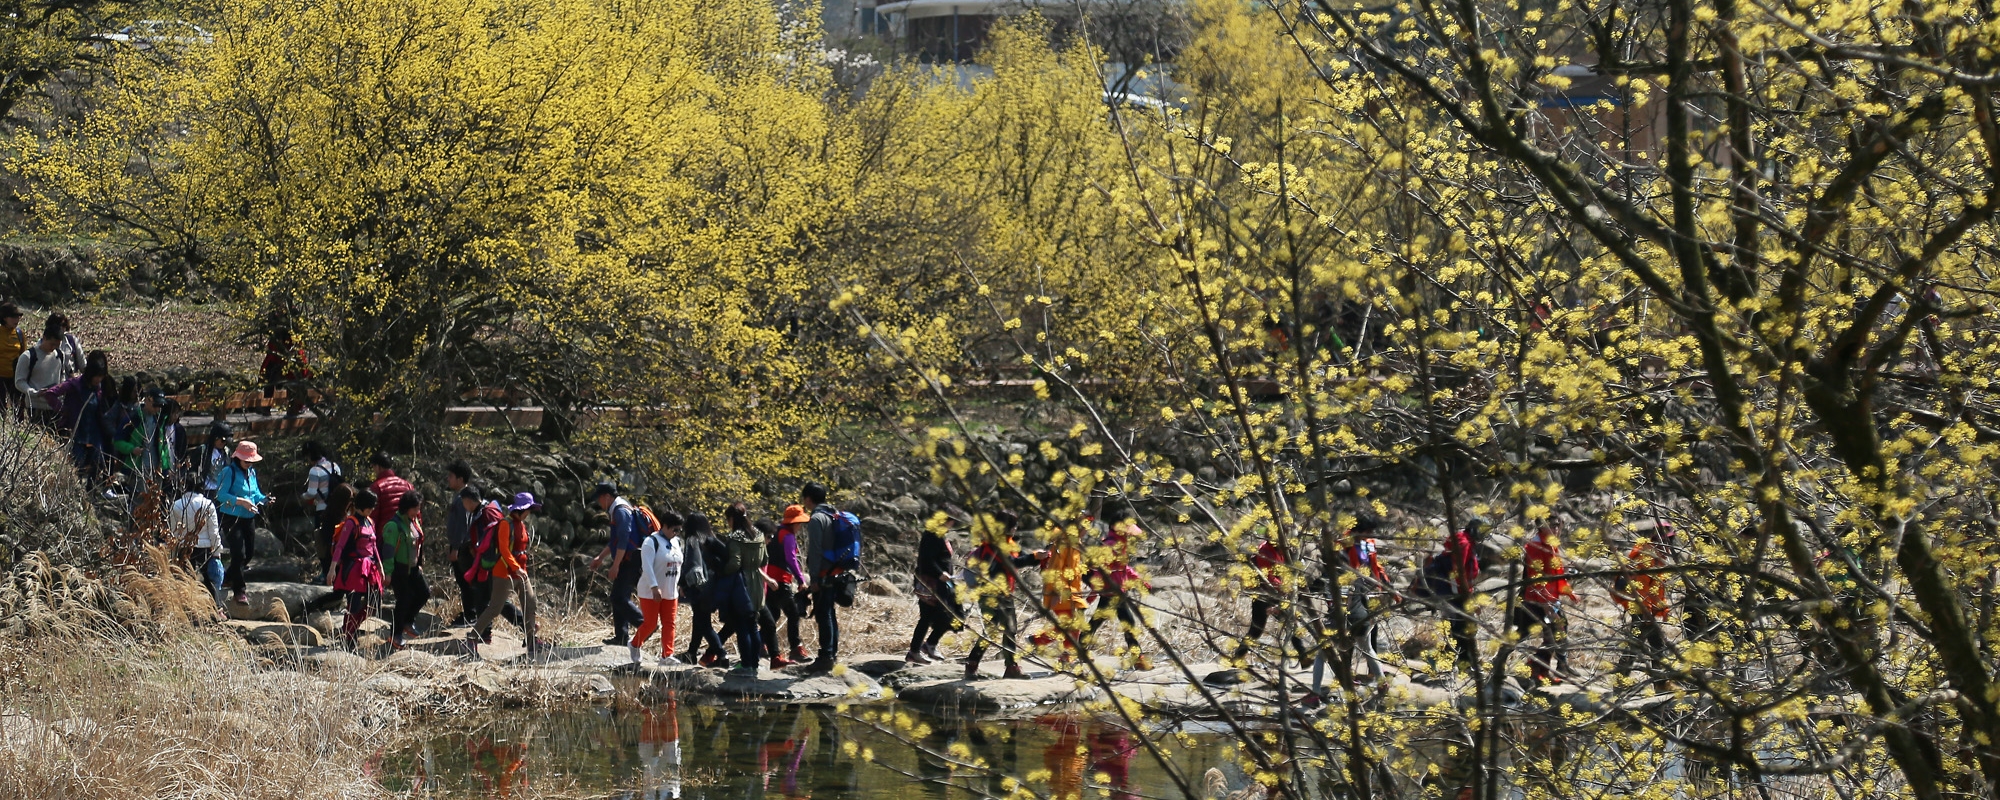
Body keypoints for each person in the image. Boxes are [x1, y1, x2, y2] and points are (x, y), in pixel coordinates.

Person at [963, 510, 1045, 680]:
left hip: (1006, 593)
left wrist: (1038, 557)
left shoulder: (1009, 543)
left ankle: (1011, 667)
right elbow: (1012, 562)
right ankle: (972, 664)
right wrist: (1034, 556)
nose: (1016, 529)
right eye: (1013, 526)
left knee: (1010, 630)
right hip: (990, 594)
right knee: (992, 631)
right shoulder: (994, 544)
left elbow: (1021, 557)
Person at [468, 492, 543, 654]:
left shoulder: (521, 524)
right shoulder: (505, 524)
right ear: (521, 509)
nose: (529, 513)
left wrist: (519, 569)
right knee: (495, 608)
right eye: (528, 509)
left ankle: (531, 643)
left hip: (520, 573)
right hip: (504, 573)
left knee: (530, 604)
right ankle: (472, 638)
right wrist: (515, 567)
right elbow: (503, 549)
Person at [1084, 504, 1149, 670]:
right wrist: (1097, 589)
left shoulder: (1120, 544)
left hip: (1117, 591)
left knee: (1096, 622)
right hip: (1111, 592)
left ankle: (1078, 649)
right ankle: (1137, 657)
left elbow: (1124, 568)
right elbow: (1101, 569)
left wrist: (1139, 580)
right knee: (1128, 623)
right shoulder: (1111, 545)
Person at [801, 482, 857, 673]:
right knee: (829, 614)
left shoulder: (816, 518)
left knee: (823, 614)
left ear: (808, 499)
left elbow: (816, 550)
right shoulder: (834, 515)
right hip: (837, 572)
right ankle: (832, 654)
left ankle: (825, 656)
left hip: (824, 574)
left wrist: (814, 578)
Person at [1232, 530, 1308, 664]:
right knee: (1262, 629)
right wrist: (1285, 588)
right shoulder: (1265, 552)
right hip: (1264, 595)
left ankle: (1303, 656)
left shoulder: (1280, 551)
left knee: (1263, 629)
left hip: (1273, 593)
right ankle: (1303, 656)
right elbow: (1268, 577)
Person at [1612, 522, 1674, 681]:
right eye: (1668, 541)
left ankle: (1621, 682)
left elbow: (1656, 590)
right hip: (1641, 609)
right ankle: (1659, 684)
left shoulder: (1656, 557)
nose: (1670, 545)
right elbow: (1642, 590)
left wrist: (1663, 610)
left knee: (1641, 647)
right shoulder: (1647, 557)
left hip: (1645, 610)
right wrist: (1647, 613)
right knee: (1654, 648)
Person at [1517, 524, 1577, 684]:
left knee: (1557, 632)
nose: (1556, 529)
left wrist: (1568, 591)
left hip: (1550, 598)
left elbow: (1554, 573)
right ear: (1541, 527)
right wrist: (1547, 606)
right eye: (1552, 525)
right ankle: (1534, 668)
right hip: (1536, 600)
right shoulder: (1536, 546)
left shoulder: (1550, 544)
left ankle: (1543, 669)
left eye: (1558, 525)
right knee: (1549, 634)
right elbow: (1537, 579)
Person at [587, 483, 645, 646]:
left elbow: (624, 539)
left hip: (631, 558)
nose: (599, 503)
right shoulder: (618, 509)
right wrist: (600, 557)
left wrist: (616, 565)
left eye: (599, 499)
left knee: (618, 597)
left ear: (607, 496)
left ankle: (644, 624)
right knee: (619, 596)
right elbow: (614, 541)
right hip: (630, 557)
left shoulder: (620, 511)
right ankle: (621, 636)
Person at [327, 487, 385, 648]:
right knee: (354, 604)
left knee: (375, 602)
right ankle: (348, 636)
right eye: (371, 506)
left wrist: (380, 565)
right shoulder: (351, 523)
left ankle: (350, 629)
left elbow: (373, 546)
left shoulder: (370, 522)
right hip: (354, 569)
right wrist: (332, 569)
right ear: (364, 506)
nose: (373, 510)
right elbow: (340, 547)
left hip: (370, 568)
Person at [712, 503, 765, 674]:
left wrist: (721, 571)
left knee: (742, 627)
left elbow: (735, 563)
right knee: (753, 626)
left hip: (741, 586)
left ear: (732, 518)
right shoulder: (759, 534)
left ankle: (746, 664)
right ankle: (755, 663)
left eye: (728, 519)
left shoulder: (735, 538)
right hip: (757, 584)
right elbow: (764, 560)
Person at [214, 440, 269, 604]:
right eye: (247, 460)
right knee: (238, 553)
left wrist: (265, 499)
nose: (249, 463)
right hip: (231, 517)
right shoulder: (228, 471)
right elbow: (221, 495)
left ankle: (228, 577)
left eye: (252, 461)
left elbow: (256, 493)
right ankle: (239, 591)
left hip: (249, 517)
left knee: (249, 553)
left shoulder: (251, 472)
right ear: (238, 458)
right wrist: (240, 501)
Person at [631, 508, 686, 665]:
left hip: (671, 590)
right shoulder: (651, 542)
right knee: (650, 624)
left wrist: (680, 584)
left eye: (679, 530)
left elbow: (679, 565)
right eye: (674, 529)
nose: (676, 533)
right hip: (650, 591)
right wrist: (654, 588)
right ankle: (634, 644)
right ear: (666, 526)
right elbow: (647, 567)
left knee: (670, 623)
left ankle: (666, 655)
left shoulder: (676, 542)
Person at [41, 361, 112, 479]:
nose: (99, 380)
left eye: (101, 377)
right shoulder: (74, 384)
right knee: (77, 466)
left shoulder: (97, 389)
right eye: (97, 376)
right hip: (76, 433)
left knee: (97, 464)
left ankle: (91, 492)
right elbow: (51, 394)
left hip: (94, 433)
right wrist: (63, 410)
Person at [908, 509, 960, 665]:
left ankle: (930, 644)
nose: (952, 524)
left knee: (953, 615)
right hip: (931, 584)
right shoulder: (931, 535)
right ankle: (914, 651)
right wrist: (939, 573)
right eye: (951, 521)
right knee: (927, 618)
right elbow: (926, 560)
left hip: (943, 584)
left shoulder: (941, 534)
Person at [380, 491, 430, 648]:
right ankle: (396, 634)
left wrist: (419, 563)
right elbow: (387, 552)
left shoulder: (414, 522)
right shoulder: (393, 526)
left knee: (424, 593)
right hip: (399, 569)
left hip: (413, 568)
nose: (418, 511)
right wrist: (387, 572)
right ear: (407, 508)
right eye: (415, 508)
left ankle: (409, 621)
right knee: (404, 600)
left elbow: (418, 543)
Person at [679, 512, 726, 666]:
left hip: (699, 589)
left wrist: (683, 584)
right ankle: (691, 653)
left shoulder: (692, 540)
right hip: (713, 587)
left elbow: (692, 566)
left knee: (704, 624)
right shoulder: (710, 540)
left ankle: (721, 654)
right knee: (699, 621)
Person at [758, 516, 805, 668]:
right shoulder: (788, 536)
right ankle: (796, 648)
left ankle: (760, 643)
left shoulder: (775, 532)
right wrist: (801, 579)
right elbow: (791, 559)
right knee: (793, 613)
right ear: (795, 522)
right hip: (781, 580)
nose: (800, 527)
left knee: (773, 615)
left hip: (768, 580)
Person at [169, 482, 224, 608]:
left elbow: (173, 531)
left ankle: (187, 608)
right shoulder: (208, 504)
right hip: (205, 547)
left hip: (184, 547)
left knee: (186, 579)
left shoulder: (176, 505)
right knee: (210, 580)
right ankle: (216, 608)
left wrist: (173, 553)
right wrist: (216, 551)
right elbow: (214, 531)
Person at [1444, 517, 1487, 671]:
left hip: (1459, 590)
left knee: (1462, 627)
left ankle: (1460, 660)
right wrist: (1466, 595)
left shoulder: (1465, 541)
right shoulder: (1464, 544)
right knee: (1463, 628)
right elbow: (1459, 571)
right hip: (1457, 591)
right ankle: (1464, 663)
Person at [300, 441, 343, 571]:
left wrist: (303, 497)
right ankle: (338, 572)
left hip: (322, 510)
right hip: (338, 510)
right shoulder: (334, 466)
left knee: (322, 542)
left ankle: (326, 572)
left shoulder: (315, 470)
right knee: (337, 541)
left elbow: (311, 493)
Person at [14, 329, 66, 427]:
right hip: (35, 406)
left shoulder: (60, 355)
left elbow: (61, 376)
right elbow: (19, 382)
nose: (53, 347)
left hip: (55, 406)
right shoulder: (28, 356)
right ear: (44, 338)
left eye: (57, 345)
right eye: (52, 344)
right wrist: (34, 393)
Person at [367, 453, 411, 533]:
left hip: (386, 535)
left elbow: (372, 517)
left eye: (373, 466)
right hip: (406, 534)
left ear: (378, 467)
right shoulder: (407, 485)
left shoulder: (376, 487)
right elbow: (416, 513)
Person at [41, 312, 84, 381]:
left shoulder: (72, 340)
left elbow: (83, 365)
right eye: (60, 325)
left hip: (71, 384)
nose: (63, 328)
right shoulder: (42, 343)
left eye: (64, 325)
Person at [0, 303, 25, 417]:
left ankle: (18, 430)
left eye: (18, 317)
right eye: (14, 317)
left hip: (15, 376)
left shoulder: (19, 333)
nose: (17, 319)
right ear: (5, 318)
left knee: (18, 407)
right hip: (0, 376)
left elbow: (24, 355)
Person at [198, 422, 234, 498]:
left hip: (222, 491)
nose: (224, 443)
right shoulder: (203, 451)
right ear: (215, 437)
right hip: (206, 490)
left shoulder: (227, 452)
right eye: (222, 440)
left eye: (226, 442)